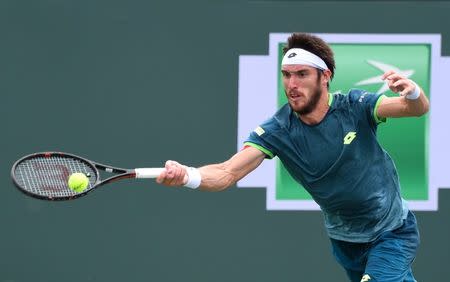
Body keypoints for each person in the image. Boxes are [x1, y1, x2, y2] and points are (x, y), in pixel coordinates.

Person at [156, 33, 429, 282]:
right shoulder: (278, 131)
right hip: (345, 241)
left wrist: (414, 92)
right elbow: (228, 172)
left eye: (302, 74)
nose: (292, 84)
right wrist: (187, 175)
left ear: (325, 76)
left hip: (392, 231)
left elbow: (415, 109)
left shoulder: (355, 106)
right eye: (286, 75)